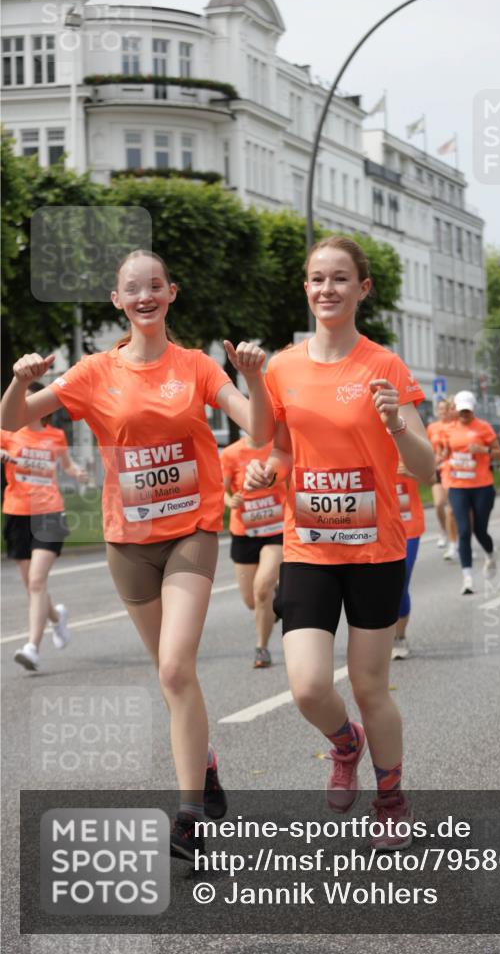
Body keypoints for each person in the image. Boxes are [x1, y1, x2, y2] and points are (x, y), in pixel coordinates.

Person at [1, 249, 274, 862]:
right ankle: (203, 764)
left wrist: (254, 377)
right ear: (117, 300)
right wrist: (20, 381)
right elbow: (16, 421)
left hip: (191, 532)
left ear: (171, 293)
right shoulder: (94, 371)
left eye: (156, 285)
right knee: (169, 677)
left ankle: (188, 819)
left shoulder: (197, 367)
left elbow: (259, 431)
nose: (145, 295)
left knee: (177, 667)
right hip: (127, 540)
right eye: (133, 288)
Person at [244, 236, 434, 850]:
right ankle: (344, 744)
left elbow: (425, 469)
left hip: (376, 549)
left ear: (362, 289)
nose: (327, 289)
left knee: (371, 685)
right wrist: (264, 471)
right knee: (306, 686)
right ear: (306, 288)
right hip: (309, 547)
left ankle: (392, 798)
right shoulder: (281, 368)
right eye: (317, 278)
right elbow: (277, 449)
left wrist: (396, 424)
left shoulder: (386, 367)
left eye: (340, 279)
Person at [1, 382, 87, 671]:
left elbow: (67, 466)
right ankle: (55, 616)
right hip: (17, 513)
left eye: (30, 400)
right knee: (32, 586)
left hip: (49, 513)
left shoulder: (56, 436)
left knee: (37, 582)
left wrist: (79, 473)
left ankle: (32, 647)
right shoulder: (8, 433)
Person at [220, 433, 286, 668]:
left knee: (261, 588)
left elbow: (291, 479)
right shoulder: (231, 453)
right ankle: (275, 599)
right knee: (251, 601)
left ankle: (262, 648)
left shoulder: (278, 447)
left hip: (277, 529)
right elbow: (221, 490)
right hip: (244, 532)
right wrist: (231, 501)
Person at [439, 391, 500, 594]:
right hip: (458, 486)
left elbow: (499, 454)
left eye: (467, 410)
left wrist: (483, 451)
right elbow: (443, 453)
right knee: (464, 531)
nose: (464, 414)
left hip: (482, 486)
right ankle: (467, 578)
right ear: (456, 410)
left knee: (480, 530)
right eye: (461, 410)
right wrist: (441, 457)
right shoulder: (448, 430)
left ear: (473, 409)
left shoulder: (484, 428)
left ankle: (491, 555)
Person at [391, 460, 425, 660]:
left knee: (400, 581)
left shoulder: (407, 444)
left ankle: (399, 636)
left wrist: (412, 473)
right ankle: (379, 635)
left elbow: (431, 478)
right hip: (376, 526)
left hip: (408, 526)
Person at [426, 400, 450, 548]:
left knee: (453, 507)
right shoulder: (432, 427)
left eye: (445, 409)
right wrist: (433, 457)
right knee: (439, 504)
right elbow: (427, 447)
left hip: (452, 469)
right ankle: (444, 531)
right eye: (440, 409)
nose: (442, 412)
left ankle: (459, 537)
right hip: (437, 468)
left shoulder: (455, 426)